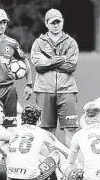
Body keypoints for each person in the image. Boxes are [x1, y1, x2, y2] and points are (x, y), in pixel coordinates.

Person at [30, 8, 79, 146]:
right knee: (46, 130)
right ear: (46, 24)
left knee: (70, 128)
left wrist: (49, 61)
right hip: (44, 89)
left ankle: (70, 164)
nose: (56, 25)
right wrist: (61, 59)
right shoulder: (39, 43)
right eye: (53, 22)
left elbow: (71, 66)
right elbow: (38, 66)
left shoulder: (71, 42)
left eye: (59, 22)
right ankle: (50, 164)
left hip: (67, 90)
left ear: (63, 22)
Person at [6, 104, 69, 180]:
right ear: (39, 119)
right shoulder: (42, 132)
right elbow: (64, 150)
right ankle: (63, 179)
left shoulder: (15, 131)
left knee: (38, 156)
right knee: (57, 154)